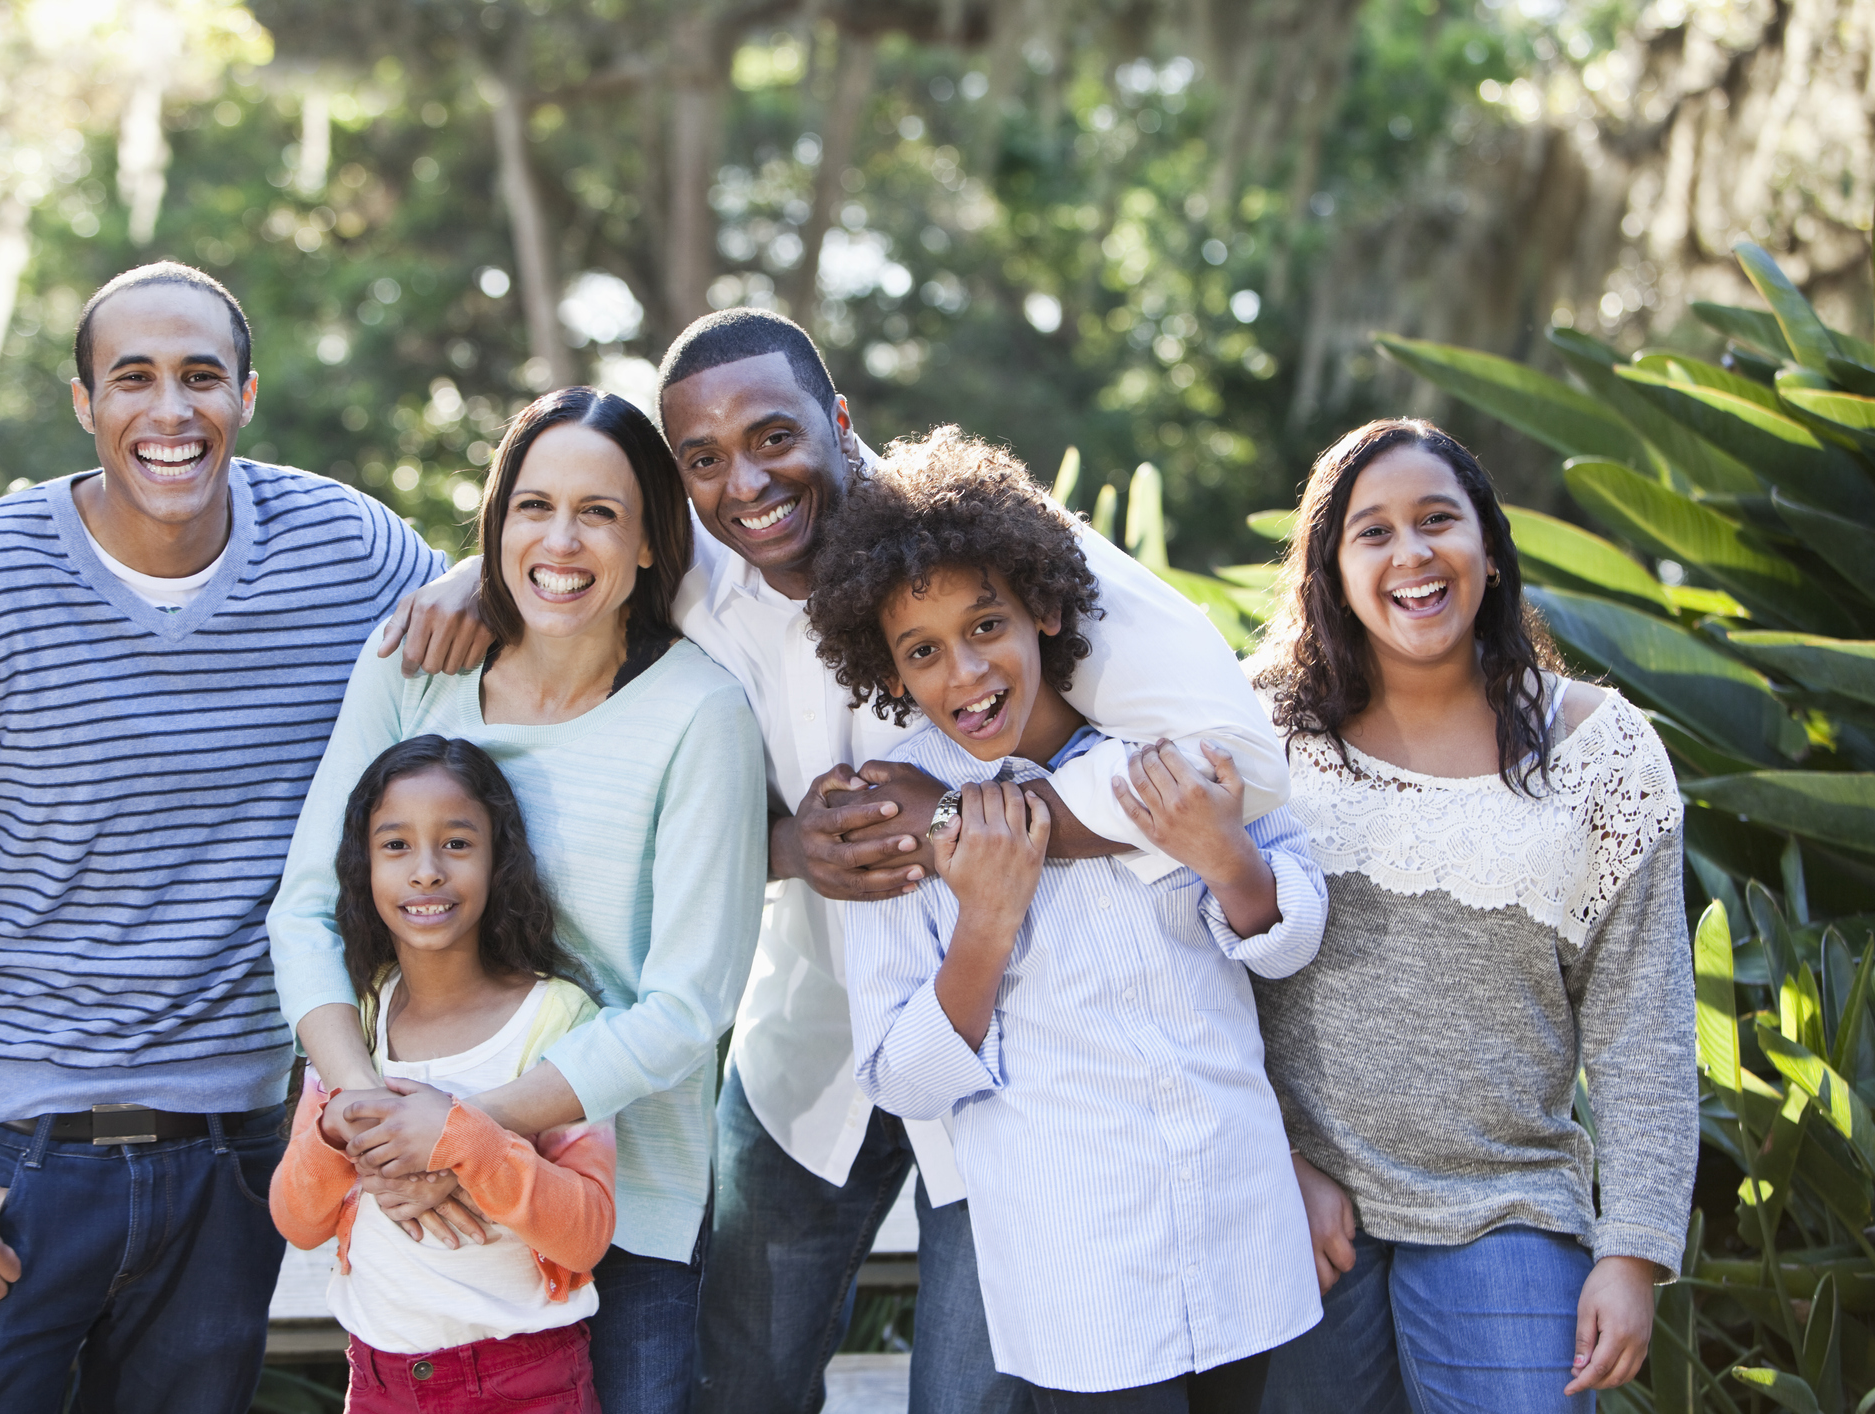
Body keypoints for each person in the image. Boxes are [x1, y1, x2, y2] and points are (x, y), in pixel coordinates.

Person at [0, 260, 476, 1411]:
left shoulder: (341, 551)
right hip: (10, 1162)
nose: (170, 413)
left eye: (200, 378)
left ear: (247, 396)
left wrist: (476, 575)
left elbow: (513, 623)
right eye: (134, 379)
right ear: (84, 404)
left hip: (236, 1155)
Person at [655, 310, 1297, 1414]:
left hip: (1020, 1086)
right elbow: (558, 565)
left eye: (774, 435)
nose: (747, 481)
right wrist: (786, 846)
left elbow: (1238, 762)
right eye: (703, 459)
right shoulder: (694, 586)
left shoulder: (995, 547)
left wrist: (963, 817)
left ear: (840, 420)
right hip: (810, 1048)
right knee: (739, 1388)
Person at [804, 426, 1326, 1411]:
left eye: (986, 625)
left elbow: (1294, 928)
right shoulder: (897, 807)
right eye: (923, 651)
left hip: (1237, 1218)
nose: (964, 673)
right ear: (891, 667)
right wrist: (986, 924)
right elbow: (896, 1073)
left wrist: (1226, 860)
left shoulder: (1165, 747)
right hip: (1083, 1269)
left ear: (1042, 606)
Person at [268, 385, 768, 1414]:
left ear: (647, 544)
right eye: (534, 506)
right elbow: (306, 909)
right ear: (495, 525)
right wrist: (368, 1112)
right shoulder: (416, 669)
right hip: (407, 1217)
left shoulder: (699, 712)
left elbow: (686, 1007)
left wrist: (463, 1131)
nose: (562, 539)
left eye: (600, 512)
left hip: (617, 1214)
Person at [1247, 419, 1696, 1413]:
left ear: (1488, 552)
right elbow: (1188, 979)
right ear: (1331, 568)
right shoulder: (1256, 731)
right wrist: (1277, 1159)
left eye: (1437, 520)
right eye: (1374, 532)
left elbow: (1644, 1031)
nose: (1412, 553)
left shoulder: (1605, 754)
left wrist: (1634, 1252)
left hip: (1511, 1210)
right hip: (1293, 1211)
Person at [271, 734, 616, 1414]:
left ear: (498, 860)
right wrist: (335, 1131)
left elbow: (586, 1232)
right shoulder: (354, 1023)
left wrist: (462, 1142)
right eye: (395, 845)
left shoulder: (556, 1018)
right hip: (379, 1383)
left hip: (527, 1379)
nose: (425, 870)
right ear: (362, 865)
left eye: (456, 843)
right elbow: (298, 1223)